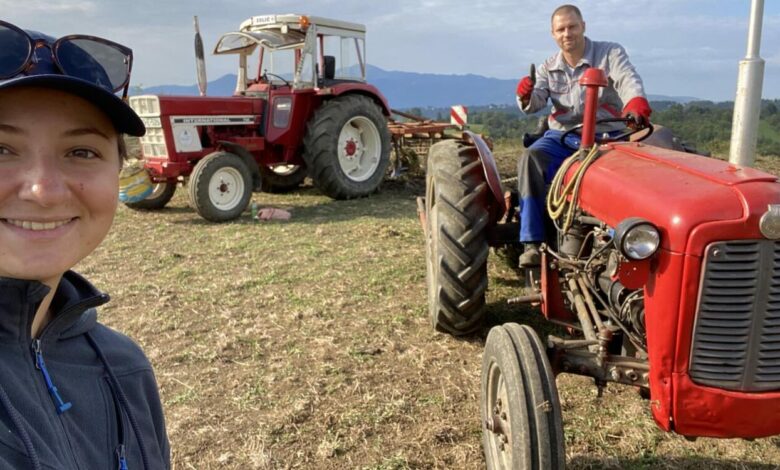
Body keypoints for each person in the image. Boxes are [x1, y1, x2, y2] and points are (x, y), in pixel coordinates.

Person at [0, 20, 170, 469]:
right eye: (0, 150)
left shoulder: (124, 368)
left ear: (119, 170)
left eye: (82, 152)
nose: (44, 191)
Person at [515, 4, 652, 266]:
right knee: (531, 158)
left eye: (572, 26)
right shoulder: (548, 67)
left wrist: (635, 104)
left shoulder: (609, 53)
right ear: (553, 34)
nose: (567, 33)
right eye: (561, 29)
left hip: (608, 136)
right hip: (564, 137)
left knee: (634, 177)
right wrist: (525, 94)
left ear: (583, 27)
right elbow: (535, 103)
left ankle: (628, 242)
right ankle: (532, 241)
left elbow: (627, 79)